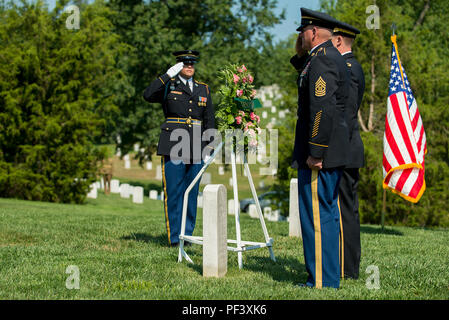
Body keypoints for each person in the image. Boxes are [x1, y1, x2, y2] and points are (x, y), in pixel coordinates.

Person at [290, 8, 350, 289]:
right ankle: (328, 277)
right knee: (326, 213)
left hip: (320, 154)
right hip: (331, 151)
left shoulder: (323, 61)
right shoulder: (325, 58)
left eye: (303, 32)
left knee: (316, 216)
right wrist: (301, 51)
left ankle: (322, 281)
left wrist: (316, 150)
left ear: (313, 32)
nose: (300, 37)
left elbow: (321, 110)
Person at [143, 50, 215, 247]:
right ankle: (175, 238)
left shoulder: (203, 89)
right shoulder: (168, 86)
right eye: (185, 63)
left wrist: (210, 146)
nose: (189, 66)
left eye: (192, 63)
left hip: (196, 145)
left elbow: (209, 119)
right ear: (178, 66)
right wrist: (167, 75)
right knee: (174, 191)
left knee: (191, 192)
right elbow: (147, 95)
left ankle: (187, 235)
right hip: (173, 143)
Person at [332, 21, 365, 280]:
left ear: (339, 40)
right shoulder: (351, 66)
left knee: (345, 211)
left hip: (344, 149)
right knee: (346, 209)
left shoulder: (349, 68)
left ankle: (347, 269)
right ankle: (345, 267)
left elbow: (346, 112)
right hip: (347, 148)